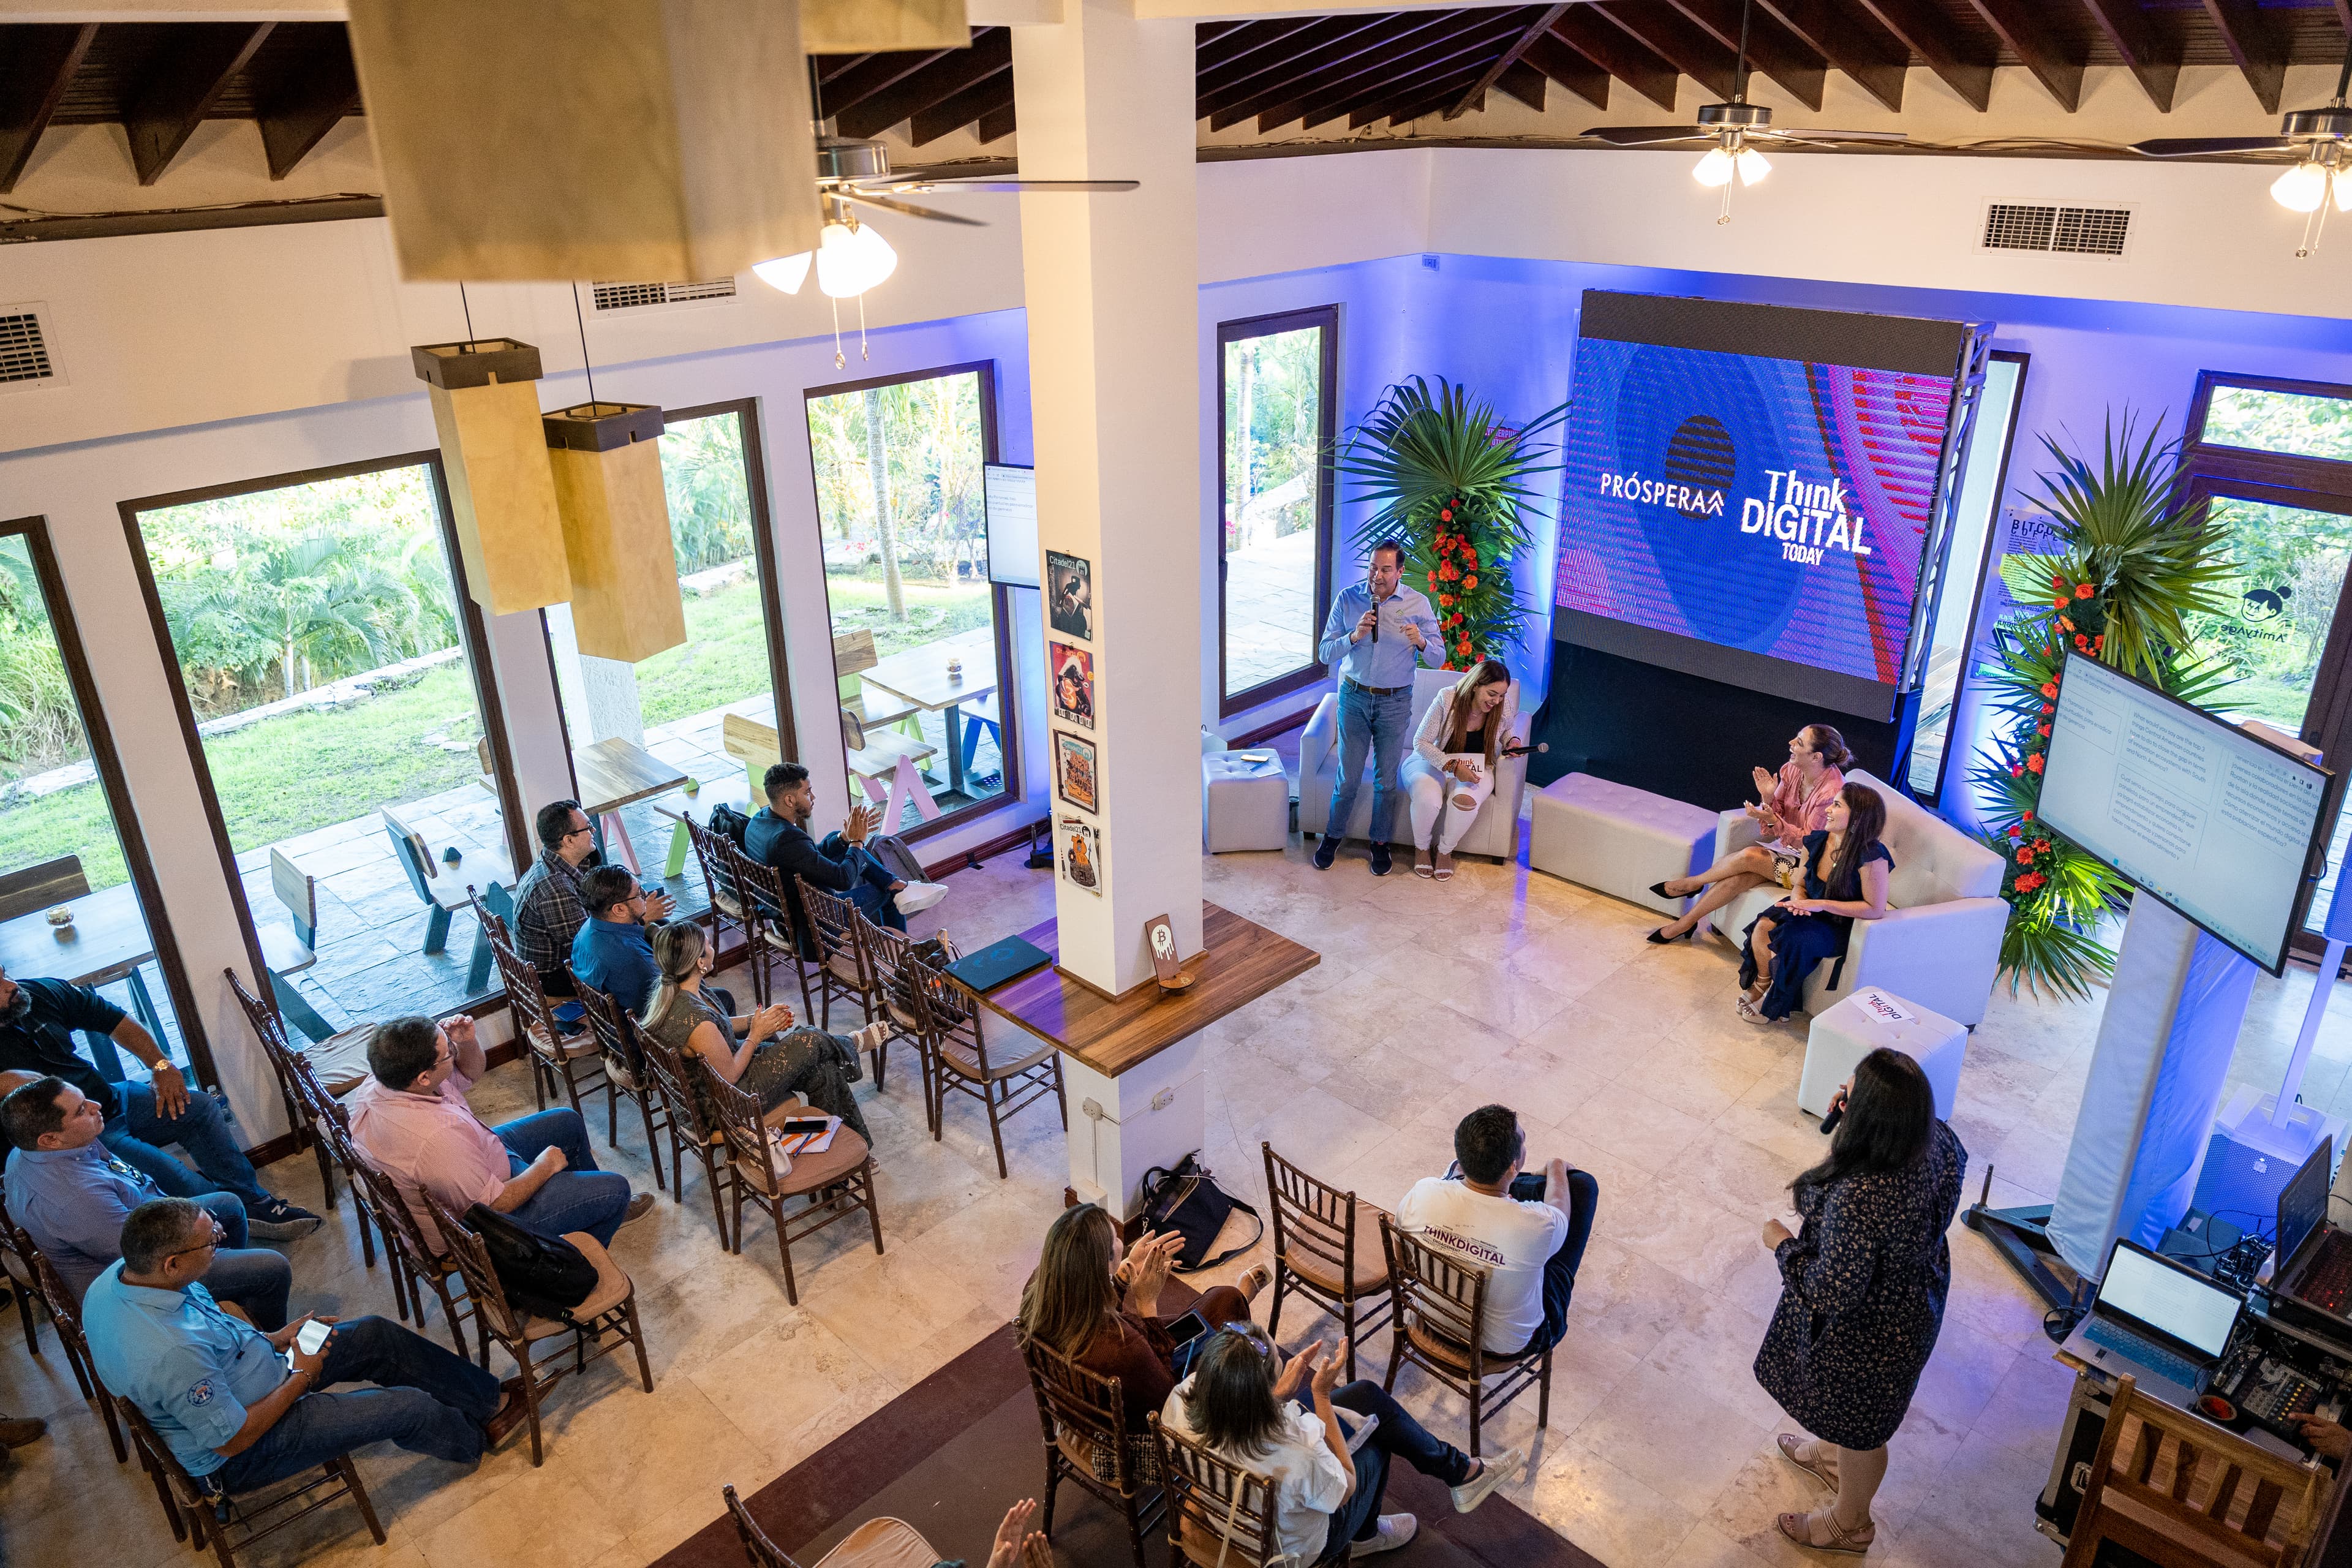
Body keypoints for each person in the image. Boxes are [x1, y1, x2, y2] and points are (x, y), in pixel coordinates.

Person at [83, 1197, 524, 1494]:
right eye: (211, 1240)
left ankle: (490, 1403)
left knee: (374, 1334)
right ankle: (475, 1442)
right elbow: (233, 1441)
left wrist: (274, 1339)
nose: (220, 1242)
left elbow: (214, 1332)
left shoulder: (127, 1275)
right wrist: (303, 1377)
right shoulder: (169, 1353)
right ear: (172, 1262)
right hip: (247, 1449)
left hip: (260, 1375)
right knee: (410, 1407)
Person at [1754, 1049, 1964, 1554]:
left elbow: (1833, 1291)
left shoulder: (1860, 1193)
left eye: (1851, 1091)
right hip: (1918, 1298)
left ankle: (1852, 1523)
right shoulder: (1939, 1139)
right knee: (1853, 1418)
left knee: (1864, 1428)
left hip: (1872, 1329)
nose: (1841, 1093)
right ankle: (1833, 1457)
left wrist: (1782, 1244)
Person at [0, 963, 318, 1240]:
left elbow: (113, 1020)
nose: (11, 986)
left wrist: (161, 1066)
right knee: (173, 1176)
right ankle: (222, 1218)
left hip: (109, 1099)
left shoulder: (36, 994)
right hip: (82, 1137)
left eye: (4, 975)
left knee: (200, 1108)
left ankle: (252, 1203)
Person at [1160, 1327, 1521, 1561]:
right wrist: (1319, 1393)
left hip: (1222, 1507)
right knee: (1378, 1440)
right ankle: (1365, 1534)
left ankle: (1463, 1472)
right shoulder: (1297, 1446)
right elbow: (1345, 1486)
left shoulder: (1180, 1398)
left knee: (1366, 1396)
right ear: (1260, 1393)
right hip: (1292, 1551)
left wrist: (1278, 1395)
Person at [2, 1076, 292, 1328]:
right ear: (50, 1139)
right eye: (81, 1111)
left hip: (147, 1224)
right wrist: (201, 1237)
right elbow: (144, 1261)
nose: (96, 1105)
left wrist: (200, 1228)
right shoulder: (73, 1199)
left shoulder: (47, 1147)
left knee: (228, 1204)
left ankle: (227, 1308)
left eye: (85, 1098)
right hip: (140, 1288)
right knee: (273, 1268)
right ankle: (264, 1349)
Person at [345, 1013, 651, 1251]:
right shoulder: (435, 1141)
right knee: (616, 1190)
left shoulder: (388, 1078)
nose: (451, 1051)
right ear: (424, 1077)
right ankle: (567, 1258)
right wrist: (544, 1168)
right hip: (487, 1225)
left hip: (481, 1155)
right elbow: (494, 1207)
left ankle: (588, 1213)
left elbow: (470, 1073)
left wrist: (464, 1043)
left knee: (566, 1121)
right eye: (447, 1051)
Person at [1015, 1204, 1268, 1447]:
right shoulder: (1122, 1346)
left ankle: (1238, 1299)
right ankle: (1242, 1302)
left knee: (1221, 1301)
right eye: (1116, 1239)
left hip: (1088, 1403)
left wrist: (1122, 1280)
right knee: (1227, 1307)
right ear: (1103, 1263)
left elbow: (1087, 1315)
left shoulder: (1038, 1293)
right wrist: (1147, 1303)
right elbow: (1168, 1402)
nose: (1122, 1243)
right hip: (1137, 1430)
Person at [638, 921, 878, 1145]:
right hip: (726, 1101)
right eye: (709, 945)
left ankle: (849, 1147)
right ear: (698, 962)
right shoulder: (693, 1018)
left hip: (719, 1082)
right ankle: (851, 1043)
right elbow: (730, 1075)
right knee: (809, 1039)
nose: (713, 947)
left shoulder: (682, 989)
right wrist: (756, 1034)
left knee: (822, 1071)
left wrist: (755, 1020)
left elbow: (718, 1027)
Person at [1395, 1104, 1596, 1358]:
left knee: (1529, 1246)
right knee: (1582, 1186)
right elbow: (1559, 1211)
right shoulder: (1538, 1225)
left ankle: (1458, 1181)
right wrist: (1556, 1166)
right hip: (1502, 1348)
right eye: (1523, 1144)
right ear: (1514, 1165)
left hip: (1432, 1319)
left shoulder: (1421, 1193)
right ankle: (1499, 1191)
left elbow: (1403, 1260)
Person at [1649, 725, 1852, 943]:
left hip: (1812, 865)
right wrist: (1767, 797)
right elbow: (1777, 812)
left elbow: (1812, 842)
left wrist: (1774, 820)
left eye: (1799, 743)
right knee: (1737, 879)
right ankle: (1685, 924)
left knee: (1750, 856)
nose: (1791, 743)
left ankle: (1693, 883)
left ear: (1816, 757)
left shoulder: (1831, 793)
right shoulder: (1792, 770)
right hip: (1788, 850)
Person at [1313, 539, 1442, 877]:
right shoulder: (1349, 599)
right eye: (1373, 568)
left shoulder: (1418, 604)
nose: (1377, 576)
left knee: (1386, 781)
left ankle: (1380, 844)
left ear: (1400, 571)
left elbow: (1439, 656)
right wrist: (1353, 637)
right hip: (1354, 698)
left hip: (1395, 702)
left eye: (1386, 569)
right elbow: (1325, 653)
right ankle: (1332, 837)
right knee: (1349, 777)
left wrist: (1422, 641)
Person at [742, 762, 948, 959]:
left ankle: (897, 884)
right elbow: (842, 879)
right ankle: (902, 951)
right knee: (887, 893)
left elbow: (810, 856)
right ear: (789, 800)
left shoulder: (760, 821)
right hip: (815, 923)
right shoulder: (787, 839)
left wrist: (845, 838)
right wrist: (858, 841)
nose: (813, 797)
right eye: (807, 793)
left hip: (792, 910)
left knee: (839, 839)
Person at [1736, 783, 1893, 1025]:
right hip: (1811, 905)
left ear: (1857, 817)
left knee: (1792, 938)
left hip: (1839, 922)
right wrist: (1799, 903)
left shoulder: (1872, 856)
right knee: (1764, 924)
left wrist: (1820, 905)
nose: (1828, 810)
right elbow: (1800, 885)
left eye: (1837, 805)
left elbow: (1874, 908)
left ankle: (1775, 1005)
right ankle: (1764, 983)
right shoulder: (1817, 842)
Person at [513, 799, 670, 1000]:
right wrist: (642, 918)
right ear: (569, 840)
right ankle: (657, 1005)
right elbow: (590, 946)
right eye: (588, 827)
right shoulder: (555, 888)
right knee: (643, 964)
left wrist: (637, 909)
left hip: (575, 950)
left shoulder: (571, 862)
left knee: (661, 927)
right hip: (556, 975)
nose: (594, 830)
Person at [1400, 658, 1517, 881]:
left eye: (1501, 695)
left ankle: (1444, 851)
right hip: (1435, 759)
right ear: (1475, 686)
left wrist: (1513, 741)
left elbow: (1507, 731)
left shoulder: (1504, 706)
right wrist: (1452, 766)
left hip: (1477, 765)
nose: (1497, 700)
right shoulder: (1447, 698)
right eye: (1492, 694)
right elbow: (1421, 742)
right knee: (1428, 798)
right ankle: (1422, 848)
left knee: (1466, 800)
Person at [570, 864, 666, 1016]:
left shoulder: (587, 928)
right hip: (642, 1032)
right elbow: (664, 1011)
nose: (646, 893)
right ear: (619, 909)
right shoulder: (636, 962)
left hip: (609, 1020)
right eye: (639, 893)